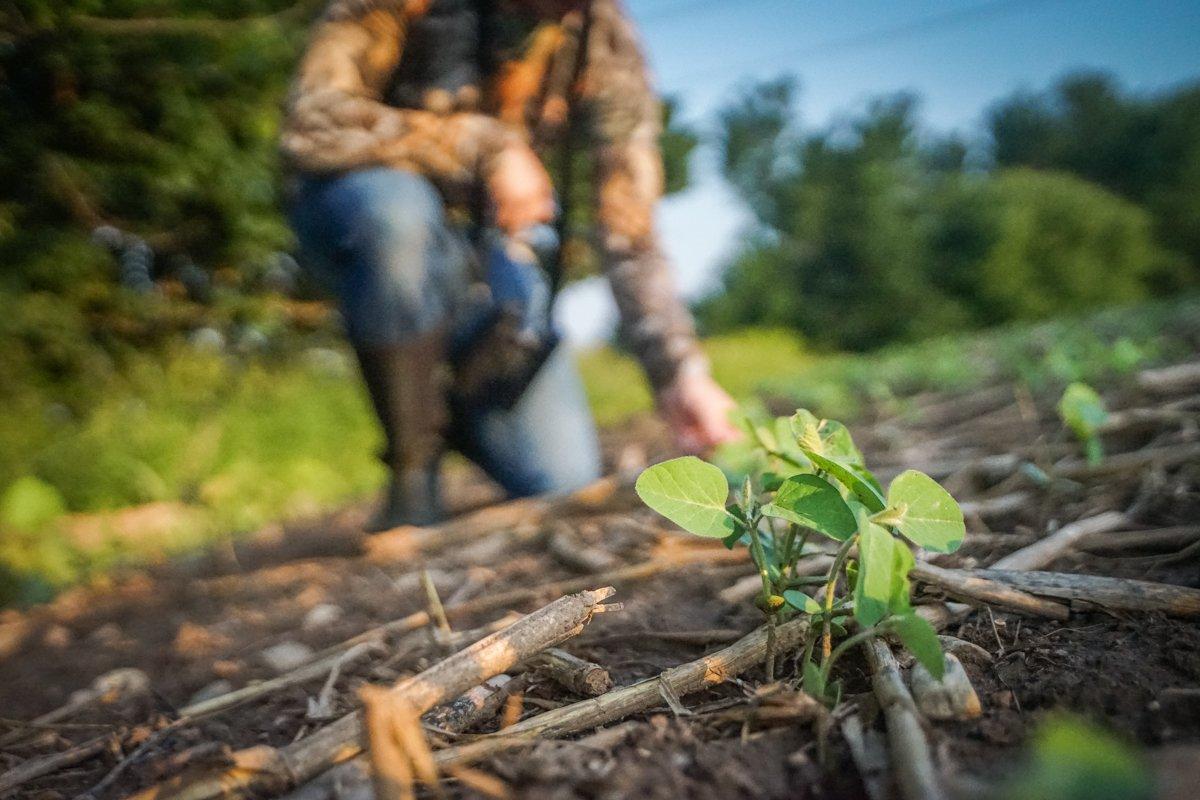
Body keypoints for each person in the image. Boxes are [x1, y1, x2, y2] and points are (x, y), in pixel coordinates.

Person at [282, 0, 739, 529]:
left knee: (566, 477)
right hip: (363, 217)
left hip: (482, 255)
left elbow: (628, 224)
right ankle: (413, 469)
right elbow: (311, 121)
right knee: (397, 214)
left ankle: (444, 402)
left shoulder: (601, 35)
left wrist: (679, 370)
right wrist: (487, 146)